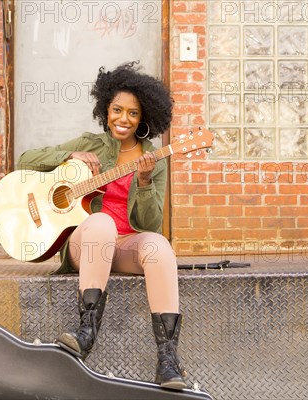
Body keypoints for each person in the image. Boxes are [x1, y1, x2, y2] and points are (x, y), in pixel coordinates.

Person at [16, 62, 186, 390]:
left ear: (145, 118)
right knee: (102, 223)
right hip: (88, 243)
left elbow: (150, 224)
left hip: (125, 247)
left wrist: (146, 181)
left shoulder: (155, 159)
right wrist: (69, 157)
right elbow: (26, 160)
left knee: (160, 246)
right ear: (105, 110)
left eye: (133, 113)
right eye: (116, 110)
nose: (123, 119)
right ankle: (86, 332)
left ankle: (168, 359)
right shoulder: (90, 144)